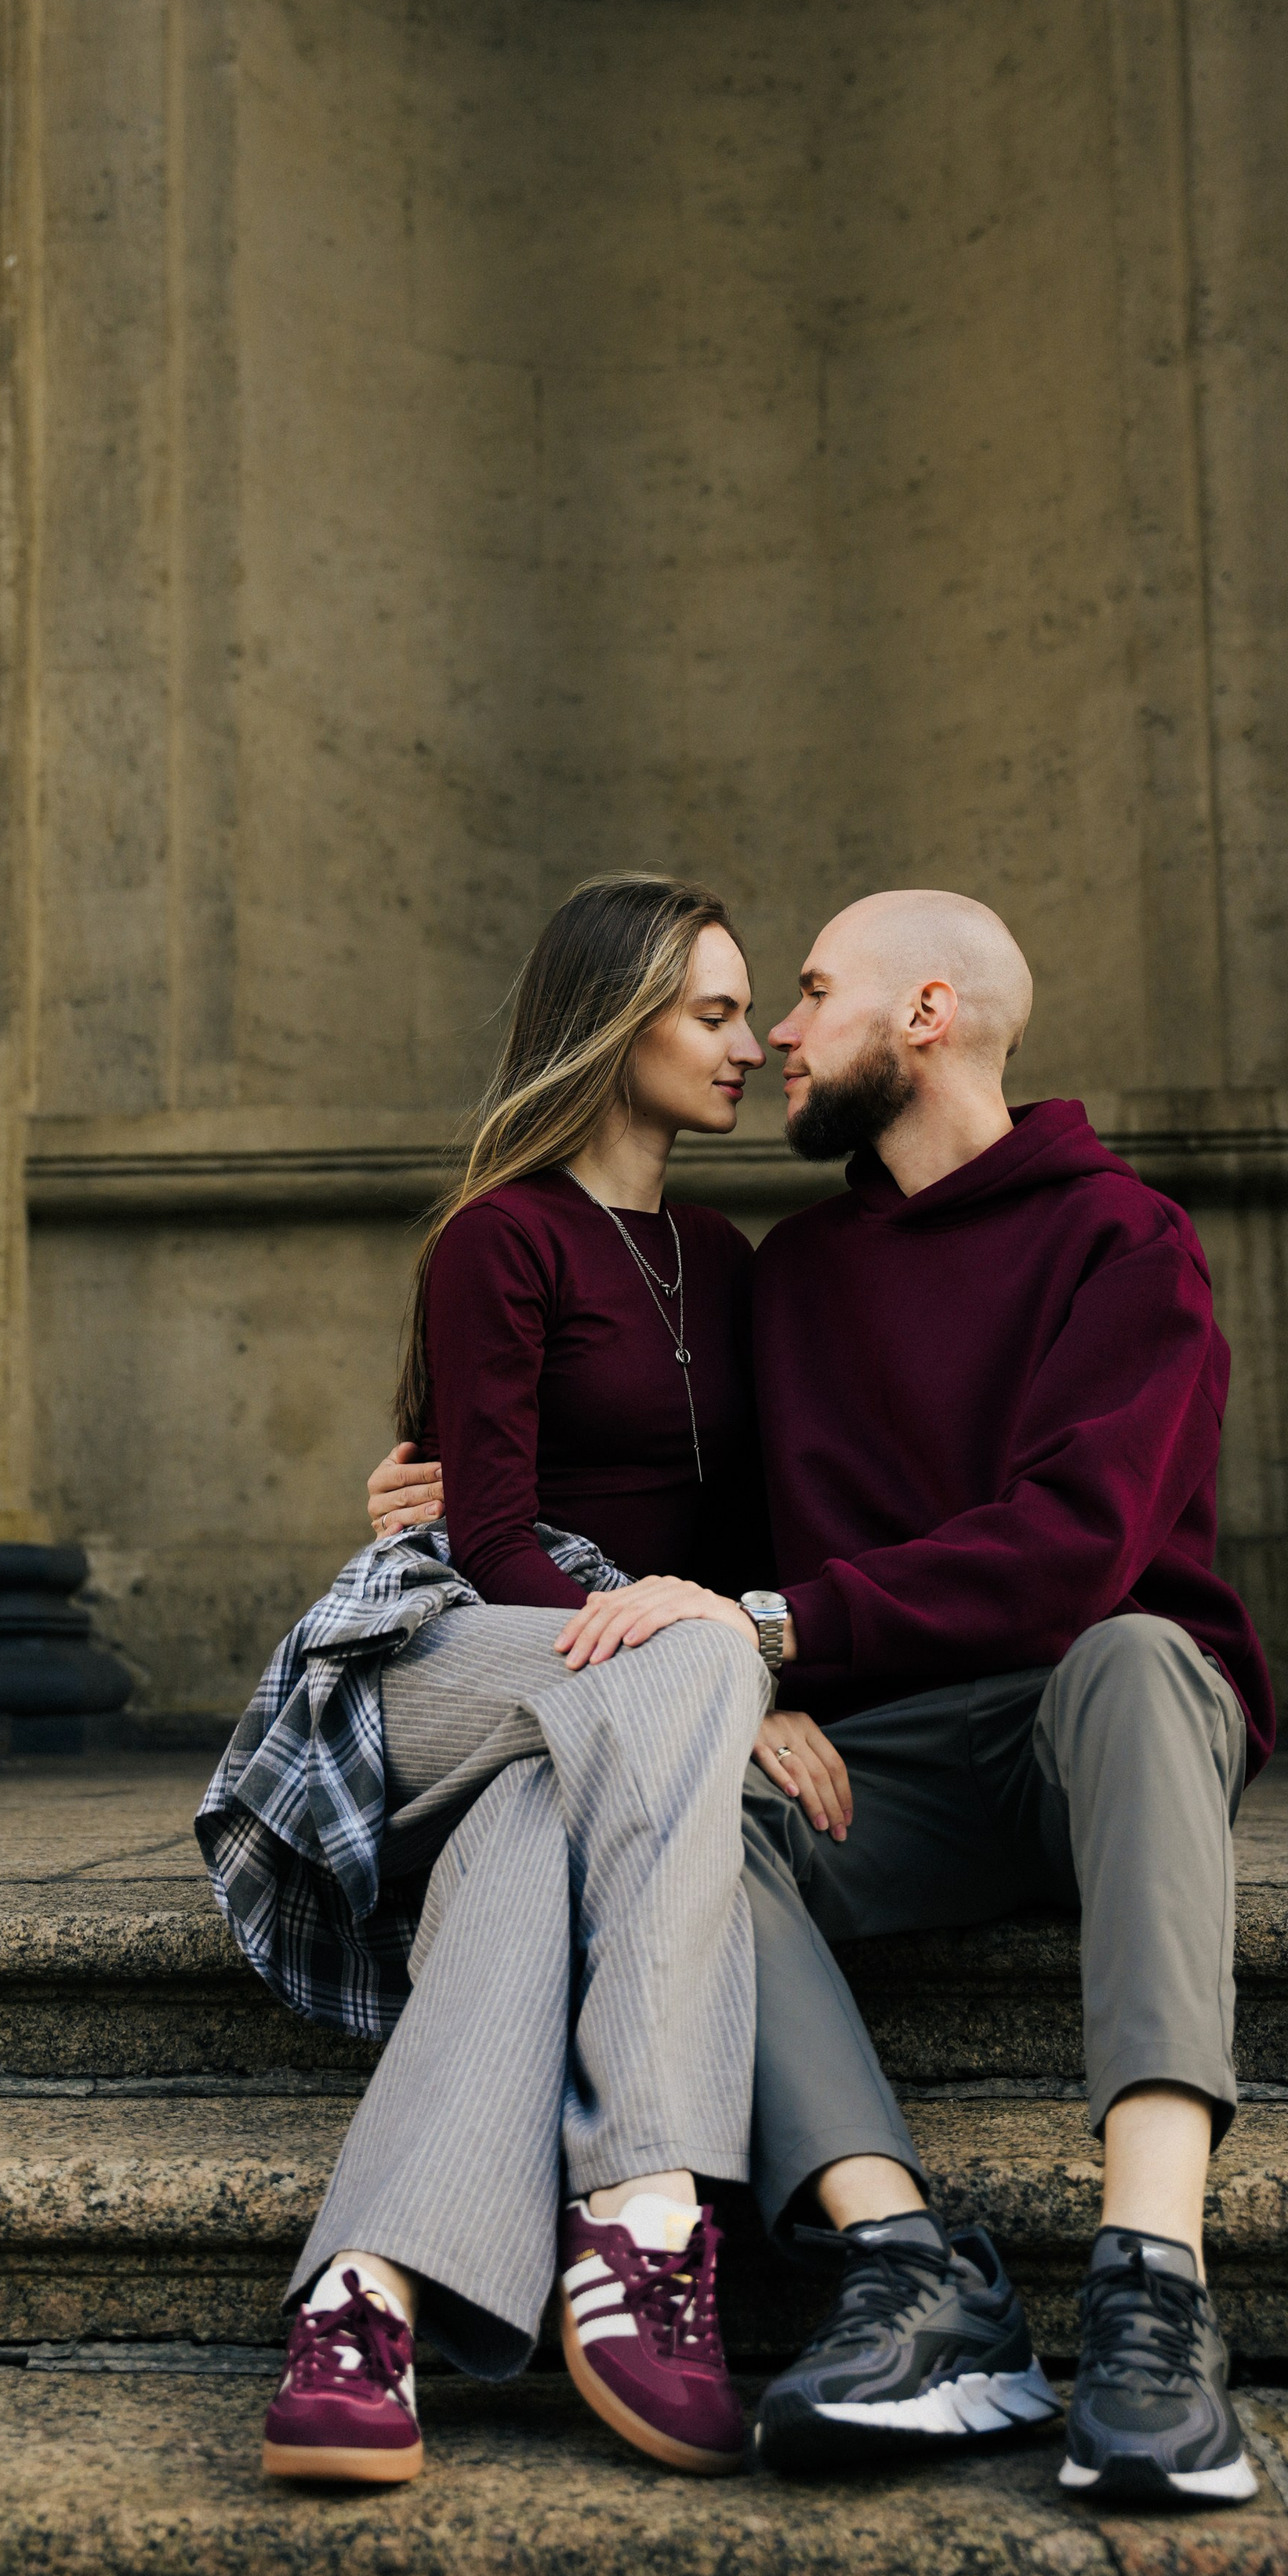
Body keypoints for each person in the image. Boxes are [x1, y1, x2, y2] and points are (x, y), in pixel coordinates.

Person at [368, 888, 1277, 2509]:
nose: (775, 1035)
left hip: (1093, 1742)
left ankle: (1152, 2283)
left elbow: (1076, 1550)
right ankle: (916, 2269)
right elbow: (687, 1527)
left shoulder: (1119, 1241)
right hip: (883, 1766)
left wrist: (773, 1630)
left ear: (924, 1015)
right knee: (689, 1791)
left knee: (1137, 1650)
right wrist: (441, 1509)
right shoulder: (785, 1276)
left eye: (802, 996)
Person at [200, 874, 782, 2487]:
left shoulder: (727, 1260)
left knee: (541, 1832)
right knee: (683, 1656)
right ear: (615, 1021)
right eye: (711, 1012)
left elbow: (748, 1526)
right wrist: (701, 1642)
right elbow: (498, 1531)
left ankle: (359, 2303)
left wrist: (743, 1664)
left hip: (608, 1703)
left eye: (745, 1013)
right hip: (449, 1651)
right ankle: (645, 2211)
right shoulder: (498, 1236)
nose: (746, 1046)